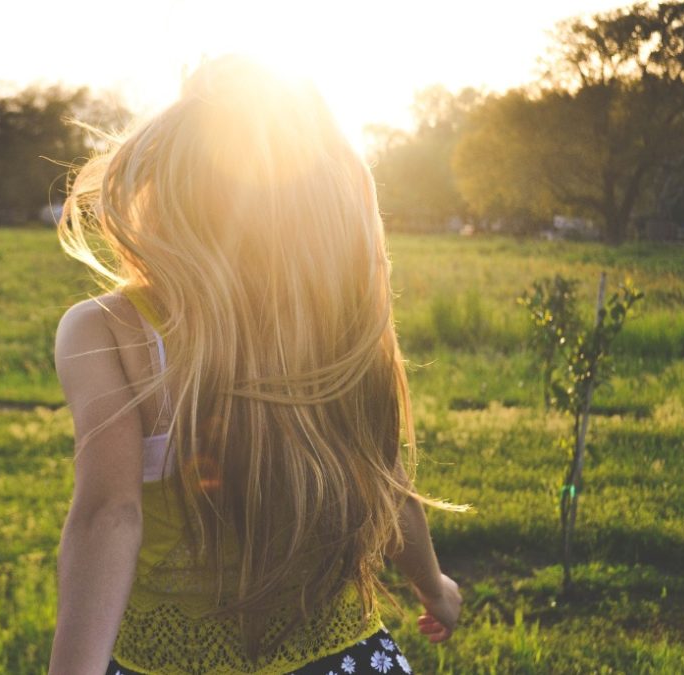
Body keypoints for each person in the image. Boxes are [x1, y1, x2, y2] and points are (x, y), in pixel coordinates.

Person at [49, 56, 464, 675]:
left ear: (161, 187)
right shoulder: (335, 329)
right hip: (340, 657)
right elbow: (386, 476)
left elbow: (110, 515)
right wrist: (434, 585)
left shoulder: (109, 330)